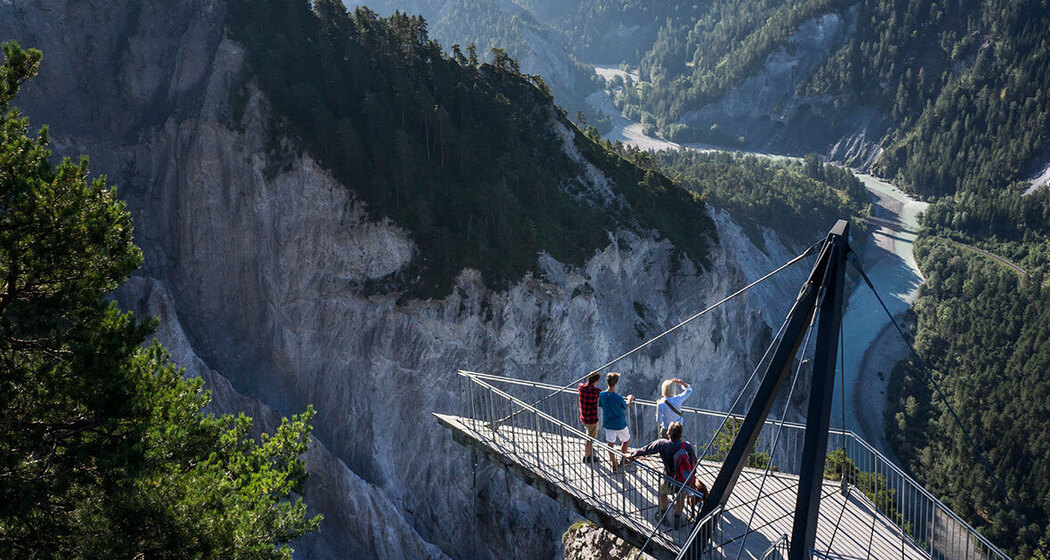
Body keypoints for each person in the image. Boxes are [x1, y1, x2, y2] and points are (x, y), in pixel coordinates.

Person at [625, 421, 696, 530]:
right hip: (683, 479)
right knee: (681, 497)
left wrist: (632, 454)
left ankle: (663, 516)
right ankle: (677, 520)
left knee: (663, 493)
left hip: (668, 477)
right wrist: (692, 478)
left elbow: (646, 450)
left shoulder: (662, 444)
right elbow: (694, 462)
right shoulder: (687, 446)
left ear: (669, 433)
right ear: (681, 433)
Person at [598, 372, 634, 472]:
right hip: (620, 424)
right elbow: (625, 406)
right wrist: (630, 399)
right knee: (626, 440)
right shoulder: (618, 398)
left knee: (611, 445)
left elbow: (602, 405)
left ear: (607, 382)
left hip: (608, 424)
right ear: (616, 383)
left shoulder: (602, 395)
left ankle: (614, 465)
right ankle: (623, 459)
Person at [577, 372, 602, 463]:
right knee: (590, 437)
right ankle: (587, 457)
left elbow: (580, 384)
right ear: (596, 381)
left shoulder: (581, 388)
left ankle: (589, 451)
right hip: (592, 418)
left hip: (584, 416)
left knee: (589, 433)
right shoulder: (596, 391)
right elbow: (604, 393)